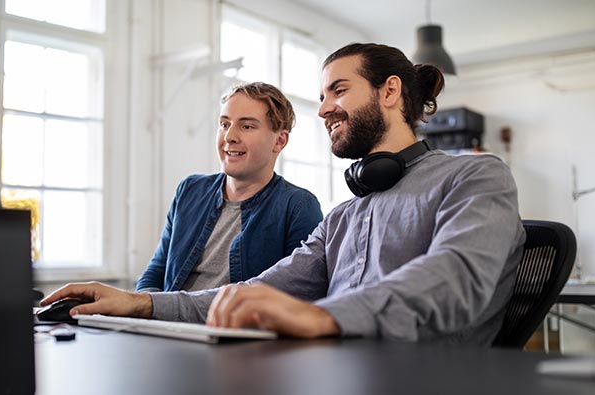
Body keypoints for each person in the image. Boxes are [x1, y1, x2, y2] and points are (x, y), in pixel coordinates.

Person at [43, 43, 525, 345]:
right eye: (320, 97)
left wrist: (320, 316)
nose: (322, 110)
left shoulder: (476, 176)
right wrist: (139, 303)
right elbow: (258, 292)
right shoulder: (344, 217)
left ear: (390, 91)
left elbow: (457, 277)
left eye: (337, 90)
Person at [135, 82, 322, 292]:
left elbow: (298, 296)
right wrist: (142, 304)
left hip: (235, 324)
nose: (229, 137)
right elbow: (155, 272)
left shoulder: (298, 206)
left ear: (279, 141)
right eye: (224, 124)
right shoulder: (189, 190)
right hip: (167, 321)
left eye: (247, 126)